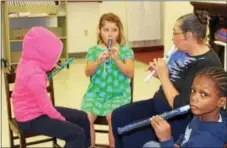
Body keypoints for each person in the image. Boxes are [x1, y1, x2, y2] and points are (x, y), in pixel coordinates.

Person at [111, 12, 223, 148]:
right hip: (158, 103)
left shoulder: (207, 64)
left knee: (131, 136)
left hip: (176, 117)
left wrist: (164, 77)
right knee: (118, 116)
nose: (172, 38)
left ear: (188, 36)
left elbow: (182, 106)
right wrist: (159, 73)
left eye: (175, 33)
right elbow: (175, 82)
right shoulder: (181, 51)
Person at [12, 26, 90, 148]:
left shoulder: (26, 60)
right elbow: (46, 107)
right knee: (77, 134)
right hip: (30, 119)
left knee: (82, 117)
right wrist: (61, 120)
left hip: (34, 111)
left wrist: (49, 67)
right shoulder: (35, 75)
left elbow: (34, 76)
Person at [81, 12, 134, 147]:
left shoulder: (125, 50)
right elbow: (88, 72)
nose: (110, 34)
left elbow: (130, 73)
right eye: (106, 30)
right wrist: (98, 61)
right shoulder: (93, 50)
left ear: (119, 32)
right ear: (100, 31)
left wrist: (117, 59)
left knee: (112, 117)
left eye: (114, 30)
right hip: (96, 93)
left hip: (118, 94)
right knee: (85, 118)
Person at [143, 67, 227, 148]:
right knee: (149, 145)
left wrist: (166, 140)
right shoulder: (203, 114)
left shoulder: (206, 140)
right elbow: (188, 134)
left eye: (204, 94)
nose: (194, 98)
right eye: (193, 90)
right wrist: (178, 144)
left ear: (221, 102)